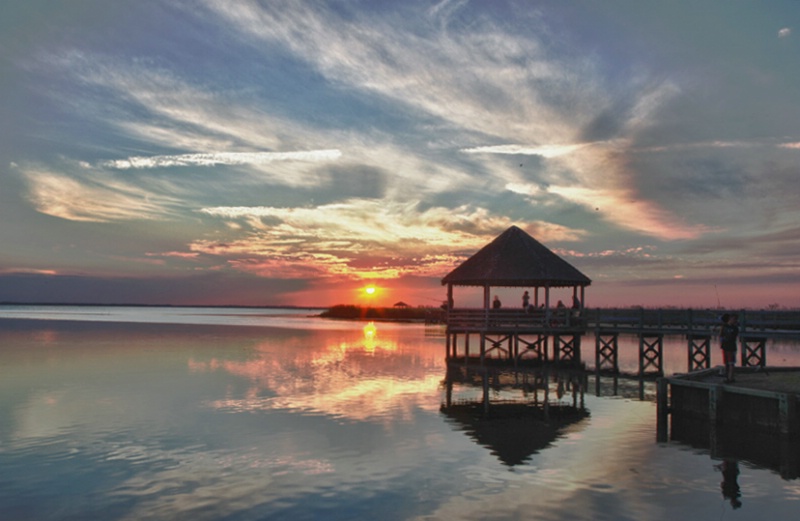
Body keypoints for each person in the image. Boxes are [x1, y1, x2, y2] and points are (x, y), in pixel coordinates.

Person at [720, 313, 739, 383]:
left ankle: (731, 378)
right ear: (730, 319)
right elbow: (721, 336)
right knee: (726, 363)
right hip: (725, 347)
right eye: (733, 319)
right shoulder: (724, 327)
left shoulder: (735, 328)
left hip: (731, 347)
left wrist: (726, 338)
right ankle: (727, 377)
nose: (735, 321)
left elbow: (733, 337)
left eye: (735, 320)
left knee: (731, 363)